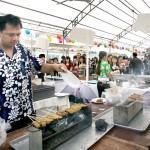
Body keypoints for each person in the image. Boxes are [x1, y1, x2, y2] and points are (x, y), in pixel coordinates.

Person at [0, 14, 67, 131]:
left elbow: (40, 67)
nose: (15, 38)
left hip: (27, 113)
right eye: (11, 34)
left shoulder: (23, 50)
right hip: (4, 119)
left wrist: (55, 66)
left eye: (18, 34)